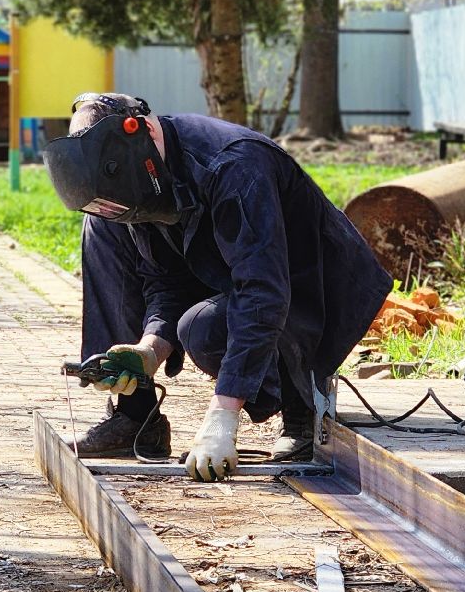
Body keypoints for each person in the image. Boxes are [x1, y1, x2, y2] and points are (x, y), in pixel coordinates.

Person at [46, 92, 391, 481]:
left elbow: (262, 291)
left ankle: (301, 401)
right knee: (103, 224)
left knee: (202, 329)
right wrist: (148, 350)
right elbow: (165, 279)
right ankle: (134, 413)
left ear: (141, 133)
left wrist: (222, 416)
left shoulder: (235, 165)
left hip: (310, 286)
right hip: (220, 271)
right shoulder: (141, 180)